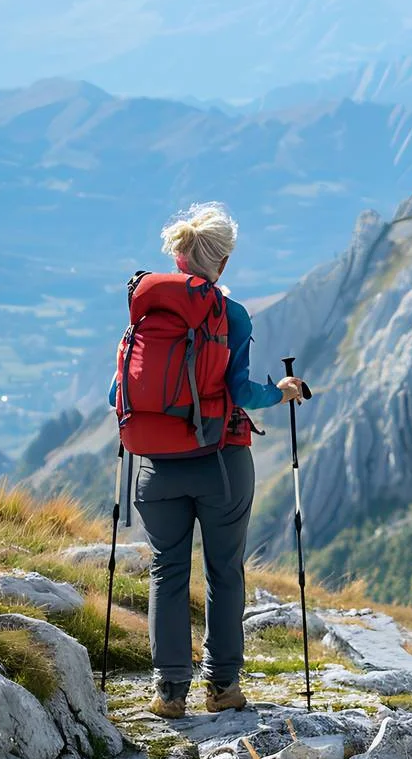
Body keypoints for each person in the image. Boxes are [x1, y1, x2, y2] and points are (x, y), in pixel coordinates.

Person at [108, 202, 305, 719]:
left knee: (166, 572)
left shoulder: (145, 310)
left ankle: (169, 694)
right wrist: (281, 392)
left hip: (156, 468)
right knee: (224, 572)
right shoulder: (230, 314)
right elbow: (239, 390)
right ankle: (221, 689)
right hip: (220, 463)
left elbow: (117, 395)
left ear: (179, 256)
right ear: (222, 261)